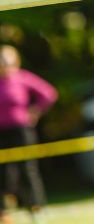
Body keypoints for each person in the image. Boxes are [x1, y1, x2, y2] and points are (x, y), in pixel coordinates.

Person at [0, 45, 58, 223]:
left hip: (21, 131)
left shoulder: (23, 78)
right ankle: (4, 211)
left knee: (28, 169)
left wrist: (35, 112)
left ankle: (36, 207)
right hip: (1, 132)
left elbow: (49, 93)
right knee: (4, 172)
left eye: (6, 60)